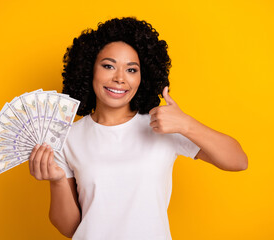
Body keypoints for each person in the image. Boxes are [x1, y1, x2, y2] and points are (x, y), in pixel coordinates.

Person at [28, 17, 248, 239]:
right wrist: (56, 182)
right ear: (89, 70)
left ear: (143, 77)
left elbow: (238, 161)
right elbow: (71, 228)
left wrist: (186, 124)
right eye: (108, 66)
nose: (120, 78)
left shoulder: (163, 125)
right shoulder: (67, 138)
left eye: (131, 70)